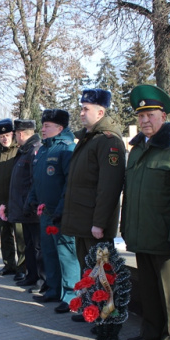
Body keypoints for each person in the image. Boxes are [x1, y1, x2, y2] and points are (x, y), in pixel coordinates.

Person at [120, 84, 170, 340]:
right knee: (150, 291)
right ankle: (151, 331)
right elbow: (130, 194)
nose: (144, 121)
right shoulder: (138, 148)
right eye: (140, 116)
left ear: (164, 116)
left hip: (166, 237)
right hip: (142, 234)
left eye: (150, 115)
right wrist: (126, 227)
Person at [61, 88, 125, 317]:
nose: (81, 113)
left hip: (94, 224)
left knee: (102, 273)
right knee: (89, 271)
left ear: (100, 112)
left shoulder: (108, 141)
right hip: (83, 222)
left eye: (86, 109)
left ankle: (105, 318)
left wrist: (99, 222)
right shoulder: (89, 139)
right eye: (81, 108)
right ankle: (92, 311)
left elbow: (109, 187)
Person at [26, 109, 79, 313]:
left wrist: (61, 209)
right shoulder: (44, 150)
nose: (43, 129)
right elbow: (37, 180)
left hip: (60, 213)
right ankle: (54, 289)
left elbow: (69, 183)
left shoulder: (67, 149)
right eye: (43, 125)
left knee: (66, 255)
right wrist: (32, 199)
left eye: (47, 126)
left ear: (60, 128)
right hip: (45, 213)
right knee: (49, 253)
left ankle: (71, 296)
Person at [4, 119, 44, 288]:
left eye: (14, 134)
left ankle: (41, 279)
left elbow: (35, 182)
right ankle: (31, 276)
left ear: (20, 134)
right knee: (28, 245)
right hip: (24, 209)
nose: (14, 137)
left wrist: (29, 204)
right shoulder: (24, 151)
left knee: (36, 247)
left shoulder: (34, 150)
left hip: (31, 210)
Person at [0, 118, 26, 281]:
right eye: (1, 136)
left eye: (7, 135)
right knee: (5, 235)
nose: (4, 138)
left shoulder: (19, 151)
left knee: (20, 235)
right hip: (0, 201)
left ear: (12, 134)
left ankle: (22, 267)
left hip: (16, 201)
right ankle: (8, 264)